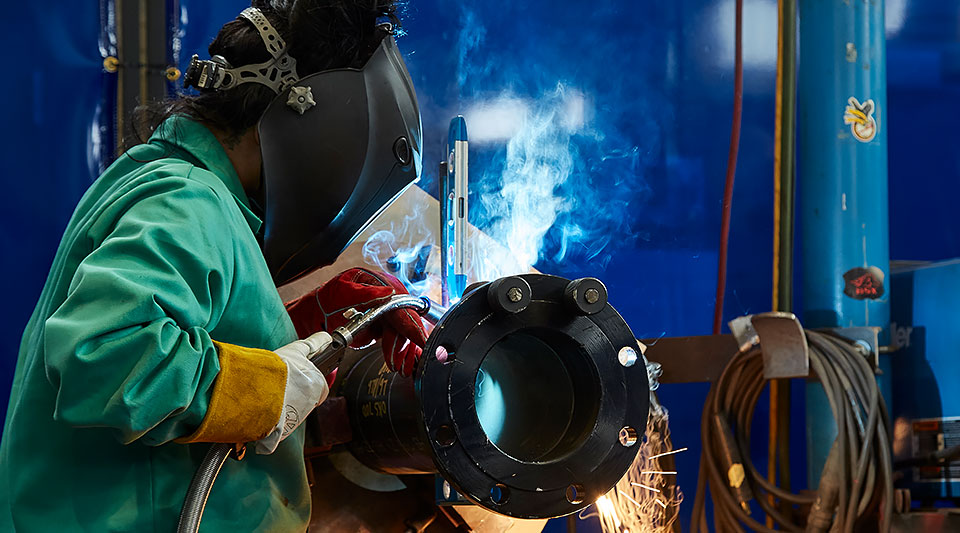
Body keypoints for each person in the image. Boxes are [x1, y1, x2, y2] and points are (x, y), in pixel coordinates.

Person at [0, 1, 426, 531]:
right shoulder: (189, 202)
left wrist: (315, 320)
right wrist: (267, 392)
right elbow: (101, 353)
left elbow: (187, 332)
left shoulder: (167, 182)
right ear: (321, 125)